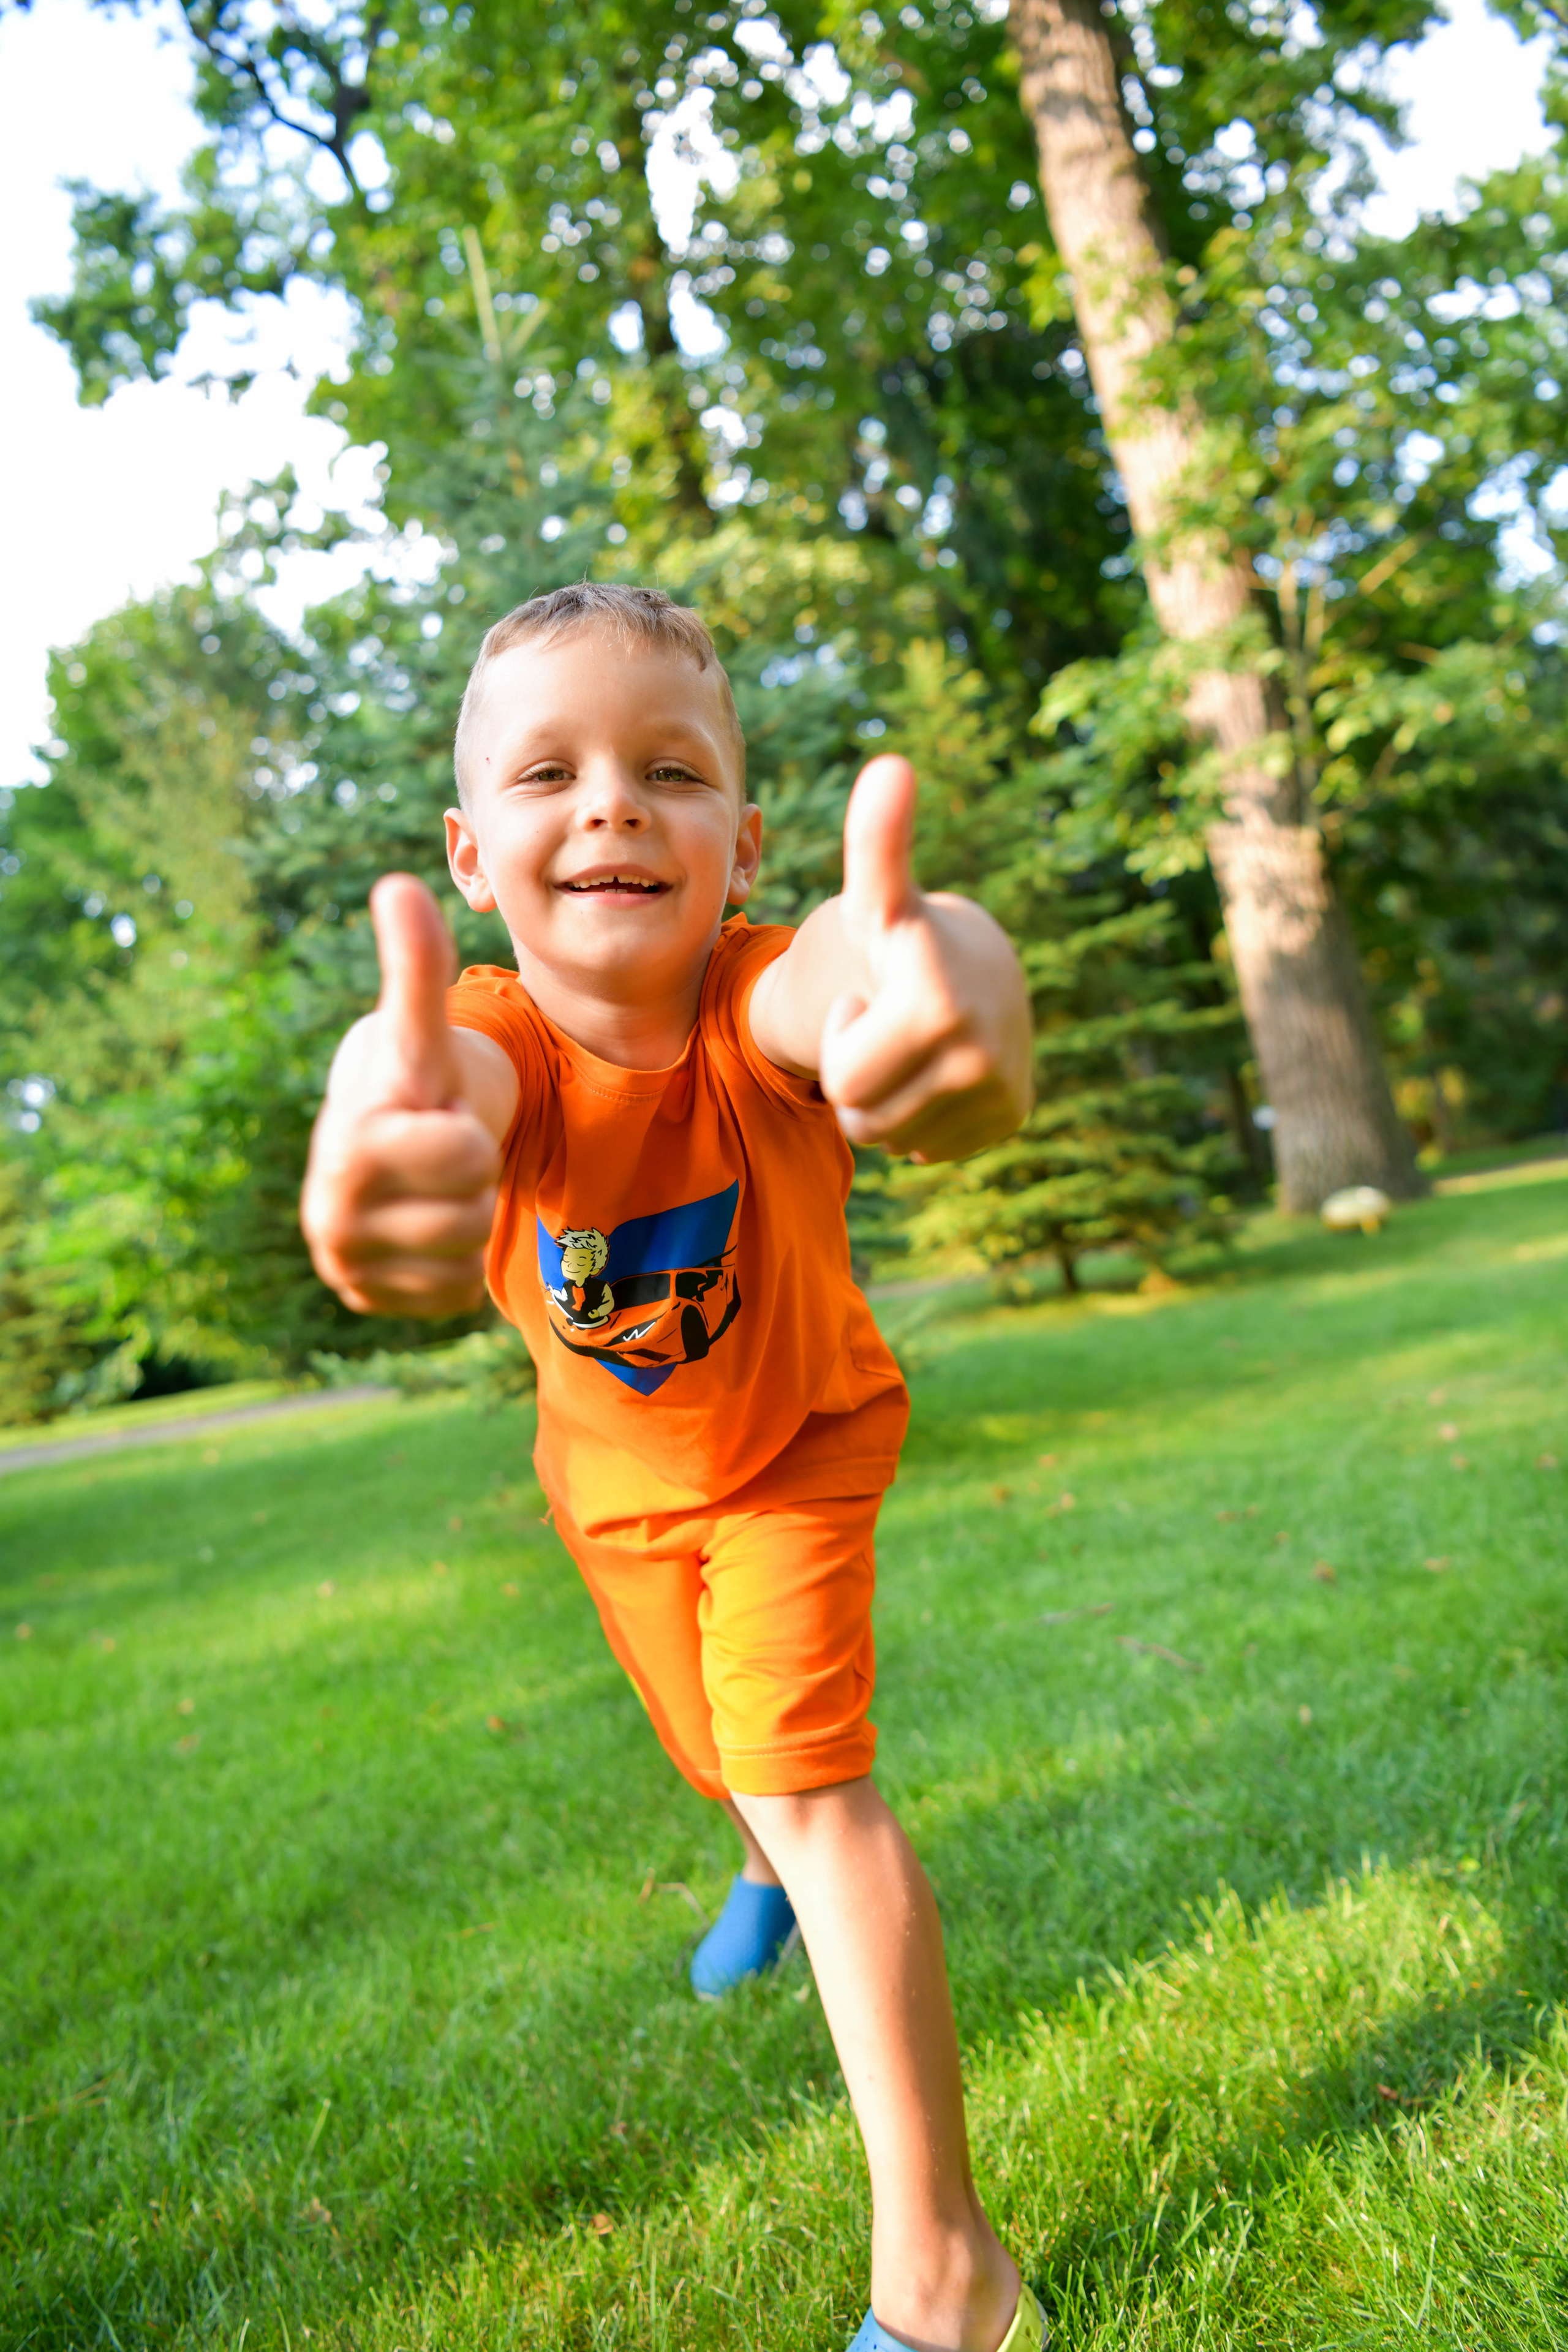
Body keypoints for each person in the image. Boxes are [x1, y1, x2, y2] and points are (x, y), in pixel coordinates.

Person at [300, 583, 1042, 2352]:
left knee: (805, 1774)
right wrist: (375, 1122)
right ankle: (760, 1860)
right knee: (716, 1750)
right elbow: (432, 1082)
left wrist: (954, 986)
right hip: (615, 1483)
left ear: (743, 839)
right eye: (552, 773)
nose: (615, 803)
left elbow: (867, 977)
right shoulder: (491, 1038)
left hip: (797, 1447)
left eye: (671, 770)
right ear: (476, 856)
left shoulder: (757, 993)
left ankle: (950, 2281)